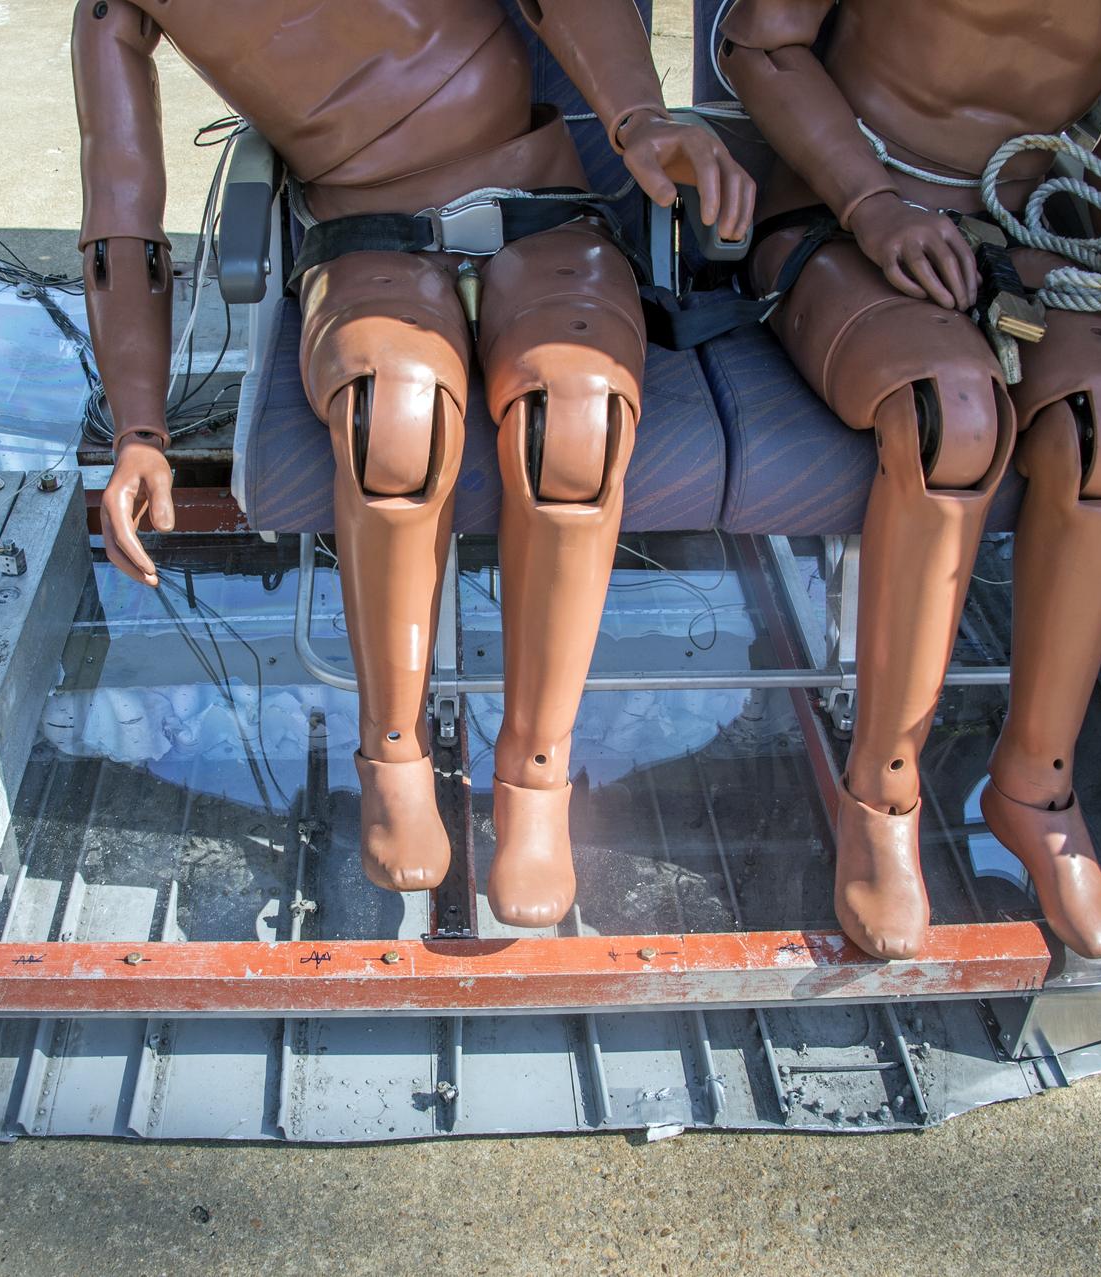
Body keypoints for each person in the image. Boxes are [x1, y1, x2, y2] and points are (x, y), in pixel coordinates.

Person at [74, 1, 754, 924]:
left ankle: (537, 773)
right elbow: (122, 218)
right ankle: (394, 753)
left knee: (578, 419)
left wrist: (637, 118)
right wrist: (139, 430)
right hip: (362, 232)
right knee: (390, 419)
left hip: (544, 203)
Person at [719, 0, 1101, 958]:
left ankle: (1037, 787)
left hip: (1025, 226)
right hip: (837, 203)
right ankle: (884, 788)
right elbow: (756, 42)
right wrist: (871, 201)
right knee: (950, 409)